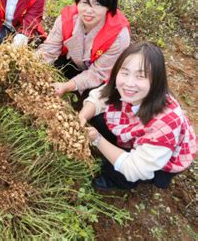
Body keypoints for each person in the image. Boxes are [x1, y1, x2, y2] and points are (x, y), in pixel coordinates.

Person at [78, 42, 196, 190]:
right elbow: (100, 97)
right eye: (125, 72)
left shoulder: (166, 122)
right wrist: (82, 116)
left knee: (124, 172)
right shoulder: (122, 85)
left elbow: (135, 168)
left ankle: (116, 180)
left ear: (156, 80)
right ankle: (117, 151)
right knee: (99, 120)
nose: (129, 83)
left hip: (163, 158)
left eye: (141, 76)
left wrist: (97, 140)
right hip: (137, 129)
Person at [37, 0, 130, 98]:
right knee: (50, 70)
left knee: (97, 104)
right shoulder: (67, 19)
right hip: (75, 63)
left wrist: (67, 86)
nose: (89, 10)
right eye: (85, 2)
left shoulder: (118, 36)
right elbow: (49, 49)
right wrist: (29, 65)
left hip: (102, 74)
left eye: (97, 4)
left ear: (108, 7)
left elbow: (97, 74)